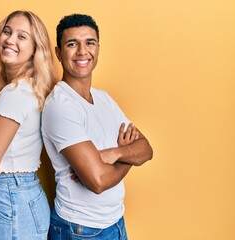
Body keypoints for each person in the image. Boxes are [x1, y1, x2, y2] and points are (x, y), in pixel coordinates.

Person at [41, 14, 153, 240]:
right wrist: (128, 158)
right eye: (72, 44)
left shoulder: (104, 99)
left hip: (115, 221)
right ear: (58, 53)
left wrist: (114, 153)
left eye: (89, 42)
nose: (82, 51)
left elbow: (147, 149)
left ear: (98, 49)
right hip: (81, 229)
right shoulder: (61, 105)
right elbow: (98, 182)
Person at [0, 10, 57, 240]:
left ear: (36, 48)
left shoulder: (15, 93)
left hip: (10, 198)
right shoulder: (28, 89)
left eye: (22, 36)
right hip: (21, 197)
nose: (10, 39)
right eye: (7, 31)